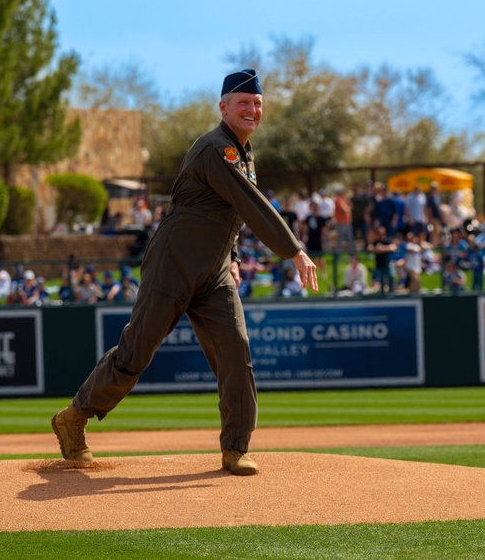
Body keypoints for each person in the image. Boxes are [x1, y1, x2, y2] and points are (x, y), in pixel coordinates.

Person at [51, 70, 318, 476]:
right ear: (223, 107)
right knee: (134, 355)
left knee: (236, 353)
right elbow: (250, 204)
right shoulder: (215, 148)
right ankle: (73, 417)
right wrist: (294, 250)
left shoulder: (243, 153)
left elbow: (227, 212)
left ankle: (235, 449)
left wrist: (231, 256)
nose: (252, 109)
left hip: (213, 273)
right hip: (172, 264)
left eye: (257, 103)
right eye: (243, 102)